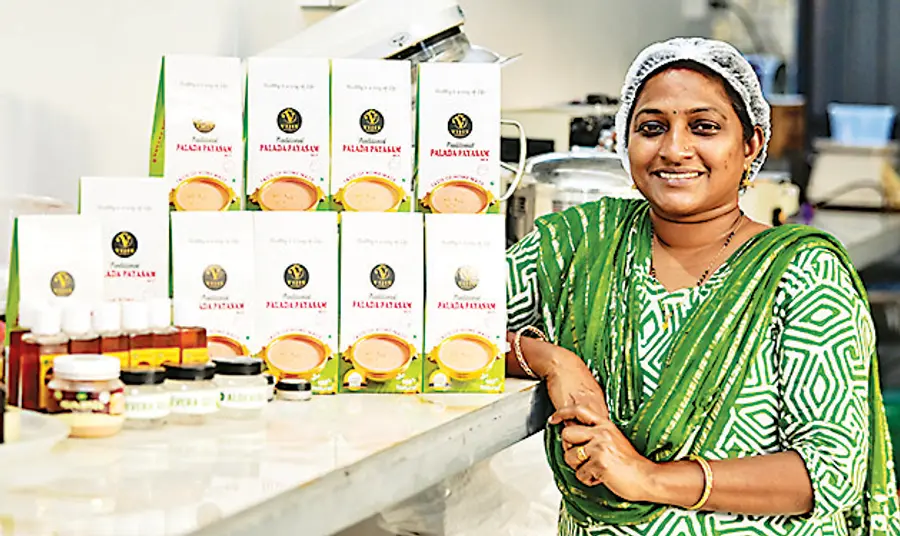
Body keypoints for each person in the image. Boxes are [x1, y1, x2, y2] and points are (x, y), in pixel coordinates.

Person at [506, 37, 900, 535]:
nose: (674, 149)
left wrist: (649, 478)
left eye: (704, 127)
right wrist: (551, 359)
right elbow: (437, 326)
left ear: (751, 144)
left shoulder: (800, 275)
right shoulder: (581, 245)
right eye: (651, 128)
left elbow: (829, 474)